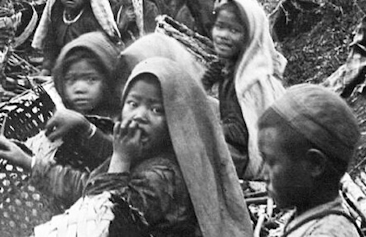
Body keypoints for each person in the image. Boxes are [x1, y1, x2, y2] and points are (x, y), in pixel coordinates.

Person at [37, 58, 251, 237]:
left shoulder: (162, 175)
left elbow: (108, 220)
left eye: (156, 110)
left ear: (177, 122)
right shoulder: (146, 153)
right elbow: (89, 187)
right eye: (133, 103)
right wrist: (33, 163)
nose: (139, 116)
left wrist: (121, 158)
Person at [0, 33, 120, 207]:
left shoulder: (118, 120)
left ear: (108, 81)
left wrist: (86, 128)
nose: (80, 88)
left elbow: (112, 155)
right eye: (71, 80)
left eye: (91, 79)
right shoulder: (62, 114)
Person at [257, 84, 362, 237]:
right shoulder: (305, 219)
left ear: (315, 164)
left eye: (271, 162)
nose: (263, 173)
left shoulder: (328, 233)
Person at [206, 0, 285, 180]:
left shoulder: (250, 80)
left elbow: (242, 134)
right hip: (239, 148)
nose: (223, 36)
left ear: (250, 38)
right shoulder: (231, 68)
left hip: (252, 158)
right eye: (220, 27)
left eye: (234, 31)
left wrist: (209, 127)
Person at [31, 0, 120, 73]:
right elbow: (51, 45)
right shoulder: (57, 16)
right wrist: (46, 67)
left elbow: (96, 52)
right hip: (61, 69)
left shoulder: (90, 21)